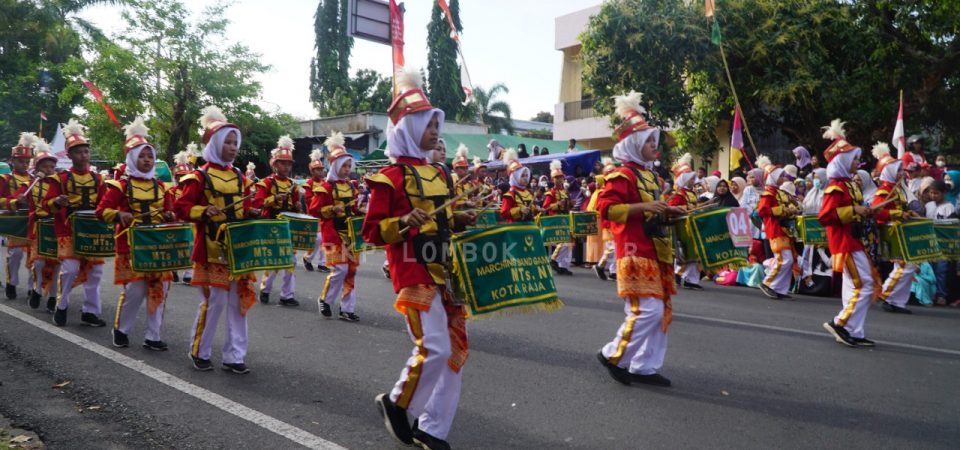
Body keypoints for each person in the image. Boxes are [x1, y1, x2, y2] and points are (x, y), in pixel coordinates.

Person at [362, 68, 476, 449]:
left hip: (446, 268)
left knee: (455, 350)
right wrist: (404, 221)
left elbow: (442, 221)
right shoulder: (388, 178)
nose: (434, 131)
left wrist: (459, 218)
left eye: (435, 125)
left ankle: (433, 428)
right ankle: (396, 403)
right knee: (436, 347)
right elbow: (372, 232)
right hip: (412, 270)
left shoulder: (440, 173)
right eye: (427, 125)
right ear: (408, 128)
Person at [596, 91, 684, 387]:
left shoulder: (652, 178)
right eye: (648, 141)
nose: (653, 147)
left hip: (658, 249)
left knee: (662, 311)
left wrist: (670, 211)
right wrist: (645, 207)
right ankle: (613, 354)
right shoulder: (621, 175)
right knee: (648, 310)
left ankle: (644, 366)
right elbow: (606, 210)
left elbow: (652, 212)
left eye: (654, 142)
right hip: (634, 249)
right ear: (633, 144)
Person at [175, 105, 257, 374]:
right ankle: (200, 350)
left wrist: (253, 212)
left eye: (235, 142)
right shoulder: (198, 176)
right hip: (211, 250)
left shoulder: (238, 176)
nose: (233, 147)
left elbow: (244, 209)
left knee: (238, 302)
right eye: (228, 142)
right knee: (216, 302)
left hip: (237, 249)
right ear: (214, 144)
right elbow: (180, 207)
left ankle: (235, 355)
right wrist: (203, 211)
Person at [97, 117, 177, 350]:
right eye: (141, 156)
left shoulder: (161, 187)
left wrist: (170, 216)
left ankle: (153, 336)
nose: (146, 160)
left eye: (150, 156)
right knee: (135, 291)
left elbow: (170, 211)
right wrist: (119, 215)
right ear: (132, 158)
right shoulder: (120, 186)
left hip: (158, 245)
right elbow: (101, 211)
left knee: (160, 288)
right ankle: (121, 330)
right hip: (130, 246)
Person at [818, 119, 877, 347]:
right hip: (845, 242)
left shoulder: (847, 185)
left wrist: (863, 212)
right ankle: (841, 323)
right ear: (843, 162)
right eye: (854, 160)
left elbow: (848, 212)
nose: (858, 163)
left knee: (854, 286)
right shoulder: (836, 187)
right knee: (865, 285)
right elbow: (826, 215)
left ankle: (855, 331)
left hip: (852, 239)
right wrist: (854, 209)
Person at [45, 119, 107, 327]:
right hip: (68, 231)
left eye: (86, 151)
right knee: (70, 269)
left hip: (92, 231)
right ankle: (61, 306)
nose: (83, 155)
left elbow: (105, 205)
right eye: (78, 152)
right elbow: (47, 205)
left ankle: (90, 312)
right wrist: (57, 201)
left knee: (96, 272)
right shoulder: (59, 179)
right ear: (69, 155)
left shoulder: (99, 179)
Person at [307, 132, 361, 322]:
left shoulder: (352, 187)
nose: (347, 169)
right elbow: (314, 210)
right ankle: (325, 299)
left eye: (348, 166)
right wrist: (332, 209)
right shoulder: (326, 188)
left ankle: (347, 308)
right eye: (343, 166)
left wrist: (360, 211)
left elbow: (353, 209)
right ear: (335, 166)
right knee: (340, 270)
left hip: (350, 235)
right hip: (333, 234)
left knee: (351, 271)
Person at [867, 143, 917, 314]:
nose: (902, 173)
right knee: (906, 265)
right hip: (891, 232)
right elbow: (877, 212)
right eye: (898, 170)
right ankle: (887, 295)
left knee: (905, 266)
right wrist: (898, 213)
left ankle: (897, 301)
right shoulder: (884, 191)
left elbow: (898, 210)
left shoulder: (896, 190)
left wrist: (907, 213)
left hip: (900, 231)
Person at [255, 135, 303, 307]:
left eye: (289, 163)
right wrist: (273, 199)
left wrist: (298, 205)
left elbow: (298, 208)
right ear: (274, 164)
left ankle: (287, 295)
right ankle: (265, 289)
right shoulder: (265, 183)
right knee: (275, 260)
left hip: (288, 226)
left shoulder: (294, 185)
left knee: (291, 260)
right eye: (283, 163)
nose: (286, 166)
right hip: (272, 225)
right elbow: (258, 203)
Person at [1, 132, 38, 300]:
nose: (23, 164)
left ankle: (32, 287)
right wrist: (14, 201)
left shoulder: (35, 179)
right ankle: (11, 282)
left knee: (35, 255)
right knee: (15, 254)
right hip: (15, 220)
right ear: (12, 161)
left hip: (32, 220)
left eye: (26, 161)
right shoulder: (5, 178)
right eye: (20, 161)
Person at [26, 138, 59, 311]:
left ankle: (53, 297)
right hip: (38, 227)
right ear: (37, 168)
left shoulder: (60, 184)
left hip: (56, 227)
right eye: (45, 167)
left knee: (57, 264)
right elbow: (19, 198)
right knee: (38, 263)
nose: (49, 170)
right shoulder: (30, 184)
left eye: (52, 167)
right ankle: (37, 289)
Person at [757, 165, 798, 299]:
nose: (783, 178)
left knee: (788, 259)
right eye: (780, 176)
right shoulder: (768, 193)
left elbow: (784, 207)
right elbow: (762, 211)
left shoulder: (778, 192)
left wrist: (790, 209)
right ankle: (767, 282)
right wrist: (781, 210)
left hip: (783, 229)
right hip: (775, 229)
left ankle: (780, 289)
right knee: (784, 259)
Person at [668, 153, 703, 290]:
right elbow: (672, 207)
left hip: (692, 225)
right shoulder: (679, 194)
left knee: (692, 253)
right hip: (683, 226)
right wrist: (687, 208)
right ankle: (688, 278)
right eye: (691, 179)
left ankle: (684, 276)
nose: (693, 181)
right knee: (689, 252)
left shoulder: (691, 193)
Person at [924, 181, 957, 306]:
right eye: (931, 193)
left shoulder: (949, 207)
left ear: (944, 193)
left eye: (936, 193)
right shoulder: (928, 206)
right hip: (929, 242)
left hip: (943, 244)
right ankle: (931, 294)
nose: (933, 196)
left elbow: (952, 228)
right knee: (930, 270)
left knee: (941, 270)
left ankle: (941, 294)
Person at [171, 145, 198, 284]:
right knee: (175, 248)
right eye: (179, 176)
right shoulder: (170, 191)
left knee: (190, 247)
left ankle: (188, 272)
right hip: (175, 225)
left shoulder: (192, 190)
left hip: (189, 224)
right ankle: (173, 270)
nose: (182, 179)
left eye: (184, 176)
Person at [302, 149, 330, 273]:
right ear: (312, 171)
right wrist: (320, 198)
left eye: (321, 169)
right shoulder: (309, 183)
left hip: (325, 214)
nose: (321, 171)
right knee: (318, 239)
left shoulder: (325, 183)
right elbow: (308, 200)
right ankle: (308, 258)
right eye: (318, 169)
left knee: (326, 239)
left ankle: (322, 263)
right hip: (314, 216)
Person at [543, 160, 573, 276]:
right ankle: (554, 259)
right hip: (555, 220)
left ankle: (563, 266)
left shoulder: (565, 191)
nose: (560, 180)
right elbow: (545, 207)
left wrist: (570, 203)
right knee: (563, 242)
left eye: (561, 177)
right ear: (553, 180)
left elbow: (568, 205)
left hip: (565, 218)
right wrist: (557, 204)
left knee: (569, 243)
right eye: (557, 178)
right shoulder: (550, 193)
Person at [499, 149, 537, 223]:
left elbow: (533, 210)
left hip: (530, 226)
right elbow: (503, 214)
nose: (526, 178)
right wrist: (519, 210)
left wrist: (537, 209)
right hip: (515, 228)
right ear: (515, 177)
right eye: (522, 176)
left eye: (526, 175)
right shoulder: (510, 195)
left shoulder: (530, 192)